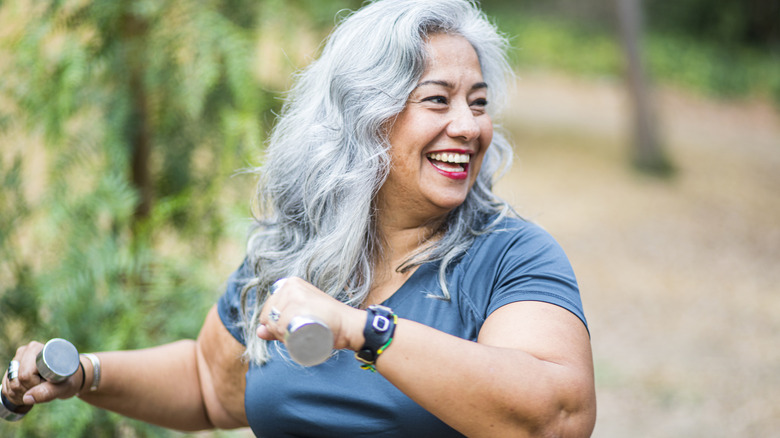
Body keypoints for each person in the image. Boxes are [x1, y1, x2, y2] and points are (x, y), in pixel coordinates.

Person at [2, 0, 596, 436]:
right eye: (437, 100)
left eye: (479, 102)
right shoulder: (295, 250)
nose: (468, 127)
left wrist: (363, 330)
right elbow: (211, 386)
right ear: (366, 117)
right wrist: (85, 374)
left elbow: (557, 416)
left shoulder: (511, 257)